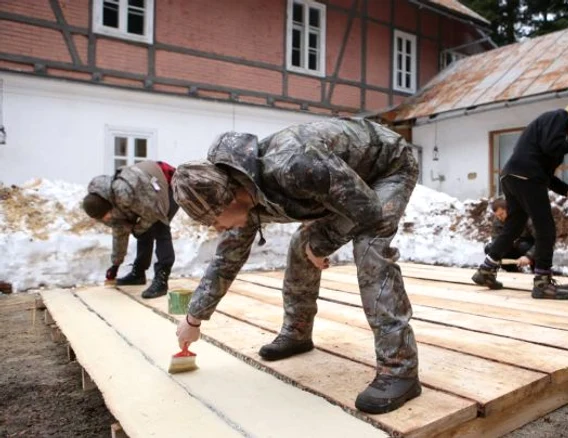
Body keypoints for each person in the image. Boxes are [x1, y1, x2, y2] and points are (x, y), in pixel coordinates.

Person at [171, 118, 421, 415]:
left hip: (387, 166)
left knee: (371, 248)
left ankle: (400, 370)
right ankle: (297, 333)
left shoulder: (293, 165)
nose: (217, 229)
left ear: (231, 199)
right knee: (299, 247)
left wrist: (320, 244)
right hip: (343, 183)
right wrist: (194, 319)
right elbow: (226, 262)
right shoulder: (241, 188)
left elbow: (366, 211)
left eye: (214, 221)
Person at [472, 102, 568, 299]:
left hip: (512, 176)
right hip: (527, 177)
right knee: (545, 228)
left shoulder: (552, 133)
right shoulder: (559, 117)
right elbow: (552, 147)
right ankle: (542, 282)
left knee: (514, 226)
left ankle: (486, 269)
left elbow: (547, 176)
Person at [82, 160, 178, 299]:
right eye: (104, 218)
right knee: (143, 229)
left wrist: (137, 229)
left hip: (167, 183)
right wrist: (115, 265)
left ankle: (161, 279)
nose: (107, 219)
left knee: (159, 227)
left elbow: (154, 214)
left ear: (109, 207)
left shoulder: (124, 193)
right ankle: (138, 274)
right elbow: (119, 232)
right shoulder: (107, 201)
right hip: (145, 188)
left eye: (106, 216)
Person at [485, 199, 535, 272]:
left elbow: (542, 241)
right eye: (497, 216)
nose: (500, 218)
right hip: (512, 247)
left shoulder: (526, 217)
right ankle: (511, 269)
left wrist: (529, 256)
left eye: (502, 214)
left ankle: (538, 270)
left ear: (509, 210)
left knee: (523, 246)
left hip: (528, 247)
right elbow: (496, 240)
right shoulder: (498, 221)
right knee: (490, 248)